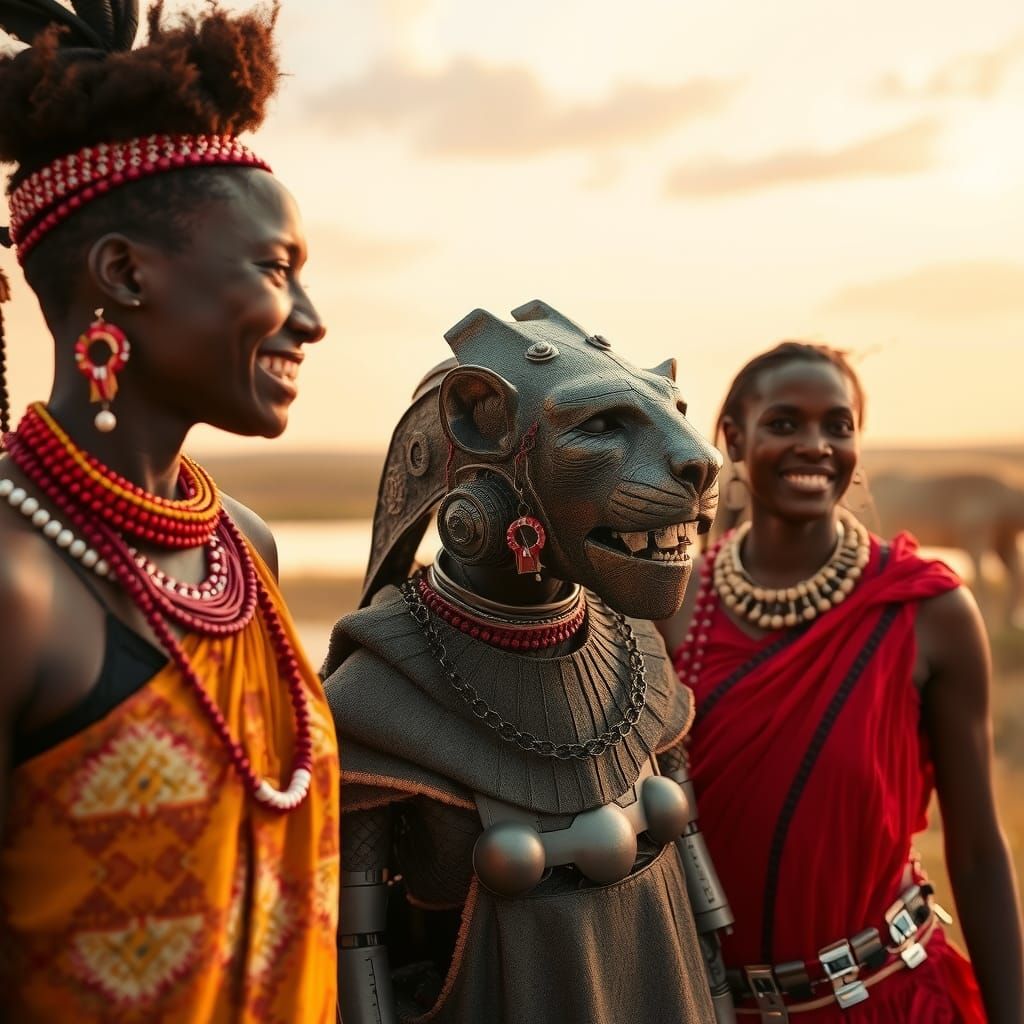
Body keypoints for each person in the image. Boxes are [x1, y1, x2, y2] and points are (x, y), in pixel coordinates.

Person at [0, 3, 339, 1021]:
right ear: (125, 274)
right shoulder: (15, 587)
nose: (313, 322)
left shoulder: (248, 550)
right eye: (278, 271)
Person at [323, 301, 729, 1023]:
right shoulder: (376, 694)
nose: (700, 461)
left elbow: (700, 903)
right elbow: (356, 946)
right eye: (600, 426)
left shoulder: (636, 653)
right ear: (478, 424)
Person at [658, 341, 1023, 1022]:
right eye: (785, 423)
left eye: (838, 425)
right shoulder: (673, 608)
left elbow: (975, 851)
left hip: (890, 999)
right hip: (712, 1007)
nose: (815, 445)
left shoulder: (928, 611)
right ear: (735, 439)